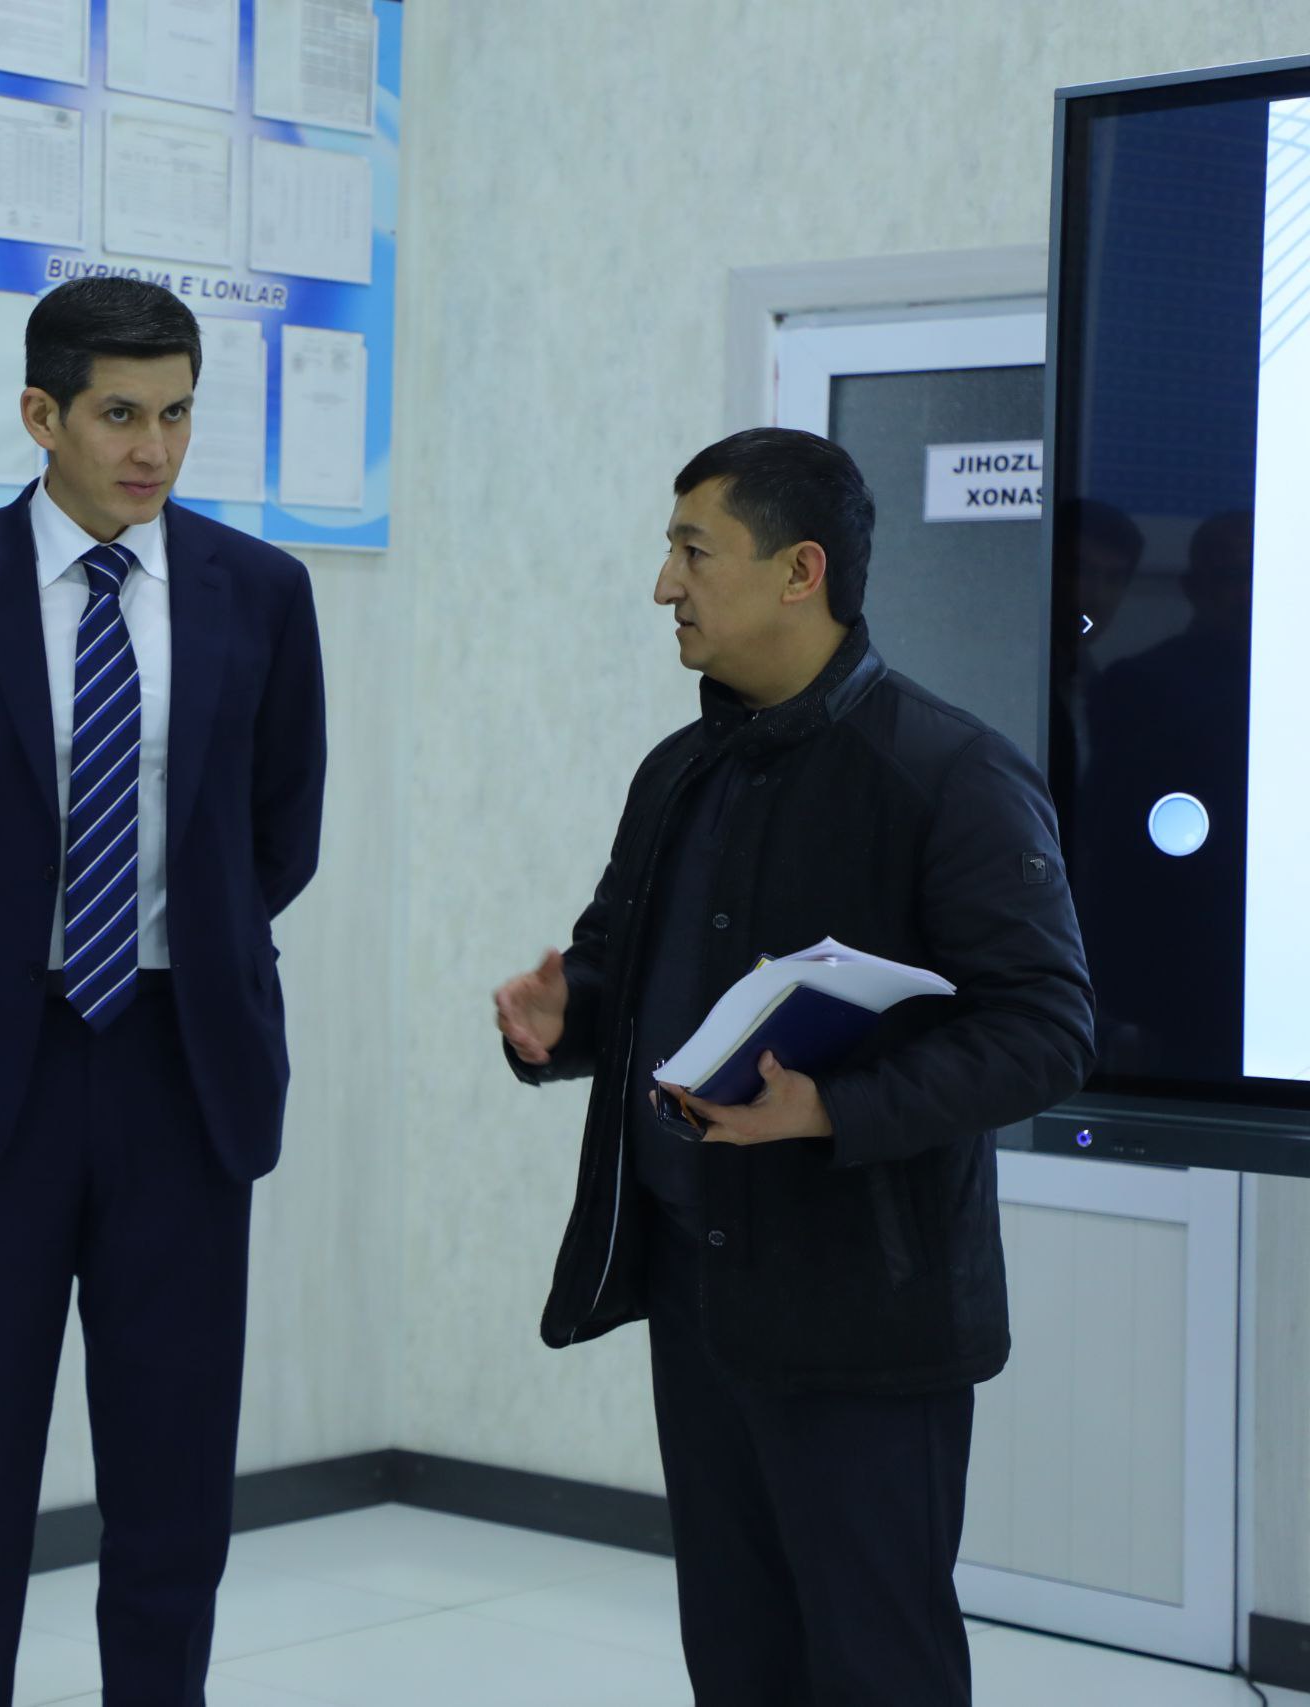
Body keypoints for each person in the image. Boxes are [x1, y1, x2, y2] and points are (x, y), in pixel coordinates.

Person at [491, 427, 1094, 1707]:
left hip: (867, 1314)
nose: (663, 585)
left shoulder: (947, 774)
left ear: (798, 570)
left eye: (692, 551)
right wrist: (564, 1019)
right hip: (700, 1299)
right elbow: (617, 967)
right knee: (737, 1658)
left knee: (876, 1667)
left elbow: (1046, 1029)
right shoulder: (679, 772)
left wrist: (834, 1108)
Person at [0, 276, 327, 1703]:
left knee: (173, 1484)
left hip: (186, 1069)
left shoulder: (259, 592)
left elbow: (278, 835)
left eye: (176, 414)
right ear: (41, 414)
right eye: (119, 414)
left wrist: (179, 958)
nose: (152, 448)